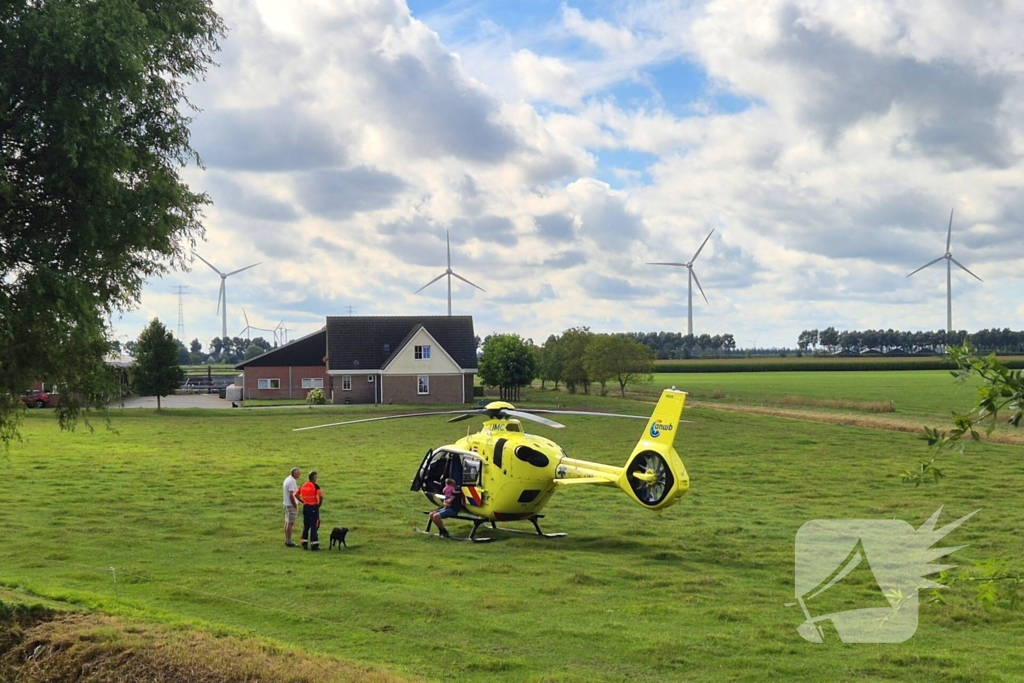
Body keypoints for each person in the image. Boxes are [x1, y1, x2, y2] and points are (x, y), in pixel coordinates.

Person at [298, 471, 323, 550]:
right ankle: (314, 544)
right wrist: (319, 504)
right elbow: (321, 496)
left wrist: (303, 501)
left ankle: (304, 542)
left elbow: (296, 494)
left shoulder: (303, 485)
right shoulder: (315, 486)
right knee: (314, 526)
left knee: (306, 525)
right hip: (313, 507)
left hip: (305, 507)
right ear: (314, 478)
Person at [282, 467, 301, 547]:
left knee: (287, 522)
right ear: (295, 473)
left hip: (286, 504)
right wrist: (295, 505)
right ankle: (289, 541)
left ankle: (287, 539)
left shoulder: (288, 479)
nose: (300, 474)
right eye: (298, 473)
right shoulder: (291, 482)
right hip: (290, 505)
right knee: (290, 523)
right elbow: (291, 495)